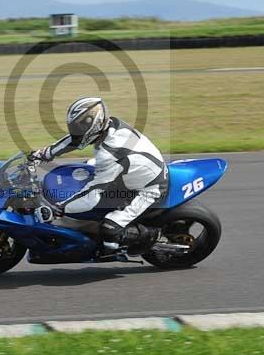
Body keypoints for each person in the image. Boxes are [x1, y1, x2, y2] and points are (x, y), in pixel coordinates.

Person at [29, 97, 168, 253]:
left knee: (109, 229)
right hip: (130, 172)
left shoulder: (110, 153)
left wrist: (59, 209)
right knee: (79, 171)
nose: (75, 130)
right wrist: (42, 154)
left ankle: (151, 236)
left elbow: (92, 195)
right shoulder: (110, 125)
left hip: (149, 188)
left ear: (94, 125)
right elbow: (75, 140)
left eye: (79, 127)